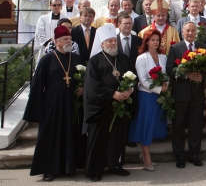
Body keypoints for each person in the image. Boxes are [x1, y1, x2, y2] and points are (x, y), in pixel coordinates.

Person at [23, 25, 86, 182]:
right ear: (56, 41)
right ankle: (49, 169)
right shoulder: (47, 59)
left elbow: (85, 78)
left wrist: (83, 87)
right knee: (51, 136)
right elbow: (38, 85)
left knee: (71, 135)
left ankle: (69, 167)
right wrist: (37, 110)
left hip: (72, 105)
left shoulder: (77, 59)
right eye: (65, 39)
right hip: (53, 105)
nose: (68, 42)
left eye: (70, 39)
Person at [84, 24, 134, 182]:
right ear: (102, 44)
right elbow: (92, 85)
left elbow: (133, 77)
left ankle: (116, 165)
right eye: (109, 41)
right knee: (99, 139)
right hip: (102, 108)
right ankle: (95, 170)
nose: (113, 44)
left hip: (120, 106)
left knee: (117, 138)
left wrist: (129, 91)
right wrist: (112, 93)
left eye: (114, 41)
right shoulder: (95, 61)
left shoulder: (124, 59)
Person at [166, 21, 206, 168]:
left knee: (196, 126)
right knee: (178, 126)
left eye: (192, 30)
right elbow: (170, 70)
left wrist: (202, 76)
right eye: (187, 31)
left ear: (196, 32)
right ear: (182, 32)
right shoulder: (175, 48)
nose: (190, 33)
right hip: (180, 95)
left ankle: (194, 155)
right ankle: (179, 156)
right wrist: (186, 75)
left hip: (197, 94)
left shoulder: (203, 48)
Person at [128, 29, 169, 171]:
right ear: (147, 41)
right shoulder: (142, 58)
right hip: (146, 95)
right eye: (153, 40)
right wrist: (159, 89)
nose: (155, 42)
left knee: (154, 125)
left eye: (157, 40)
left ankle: (144, 153)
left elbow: (166, 75)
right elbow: (143, 80)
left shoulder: (163, 57)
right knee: (146, 124)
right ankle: (146, 156)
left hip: (159, 96)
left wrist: (165, 86)